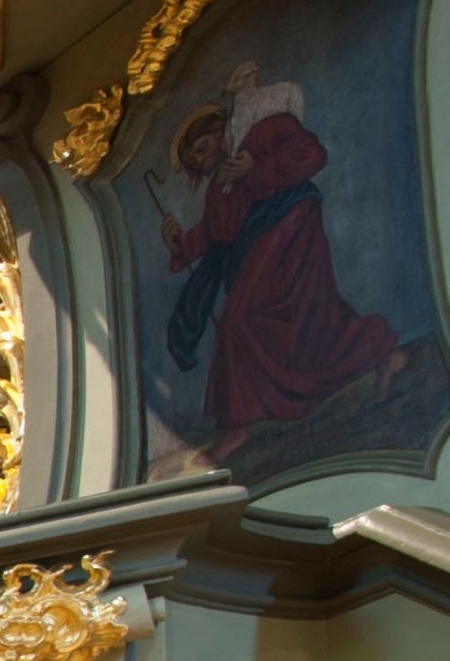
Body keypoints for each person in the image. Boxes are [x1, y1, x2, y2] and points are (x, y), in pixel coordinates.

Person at [160, 86, 397, 434]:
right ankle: (385, 356)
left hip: (292, 224)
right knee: (313, 318)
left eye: (202, 148)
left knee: (237, 320)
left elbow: (313, 154)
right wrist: (180, 245)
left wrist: (255, 169)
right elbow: (217, 230)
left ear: (218, 129)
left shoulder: (266, 130)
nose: (203, 160)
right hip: (262, 242)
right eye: (196, 161)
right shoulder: (219, 187)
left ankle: (236, 427)